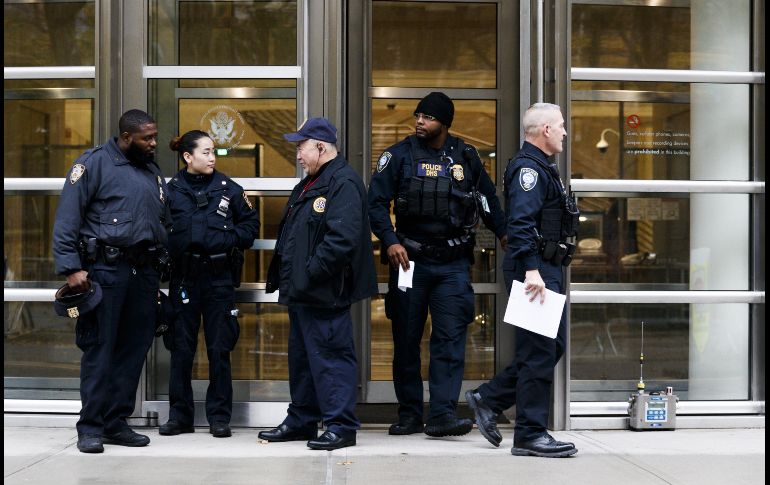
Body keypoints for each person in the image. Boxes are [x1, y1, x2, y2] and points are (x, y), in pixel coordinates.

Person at [368, 92, 507, 437]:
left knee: (449, 339)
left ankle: (443, 415)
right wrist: (390, 240)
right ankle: (411, 414)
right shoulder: (397, 156)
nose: (419, 122)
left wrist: (505, 233)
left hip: (453, 264)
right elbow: (374, 204)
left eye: (428, 118)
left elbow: (488, 200)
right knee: (406, 339)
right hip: (409, 262)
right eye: (418, 116)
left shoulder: (466, 156)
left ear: (444, 123)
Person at [52, 109, 170, 454]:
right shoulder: (92, 165)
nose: (153, 143)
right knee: (99, 351)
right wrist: (72, 269)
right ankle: (90, 426)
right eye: (147, 138)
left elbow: (161, 221)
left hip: (143, 273)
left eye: (154, 136)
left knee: (133, 351)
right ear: (126, 137)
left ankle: (116, 423)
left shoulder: (150, 170)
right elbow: (66, 221)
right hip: (106, 272)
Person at [465, 102, 579, 458]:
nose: (564, 131)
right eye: (560, 126)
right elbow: (520, 224)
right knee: (539, 351)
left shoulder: (543, 166)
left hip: (545, 269)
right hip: (536, 272)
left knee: (551, 346)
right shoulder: (528, 170)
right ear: (544, 130)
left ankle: (490, 398)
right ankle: (530, 433)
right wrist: (532, 271)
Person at [259, 117, 377, 451]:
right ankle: (302, 420)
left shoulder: (342, 182)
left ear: (320, 147)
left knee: (331, 359)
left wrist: (311, 273)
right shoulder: (310, 183)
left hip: (324, 291)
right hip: (303, 292)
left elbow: (342, 239)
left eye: (301, 147)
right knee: (303, 360)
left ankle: (341, 426)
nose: (297, 154)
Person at [158, 130, 260, 439]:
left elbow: (250, 227)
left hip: (218, 280)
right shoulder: (169, 191)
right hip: (184, 279)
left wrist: (225, 240)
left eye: (213, 151)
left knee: (219, 350)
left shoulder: (229, 189)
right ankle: (180, 417)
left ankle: (219, 417)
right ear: (188, 157)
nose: (212, 157)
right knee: (181, 351)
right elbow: (157, 228)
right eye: (205, 152)